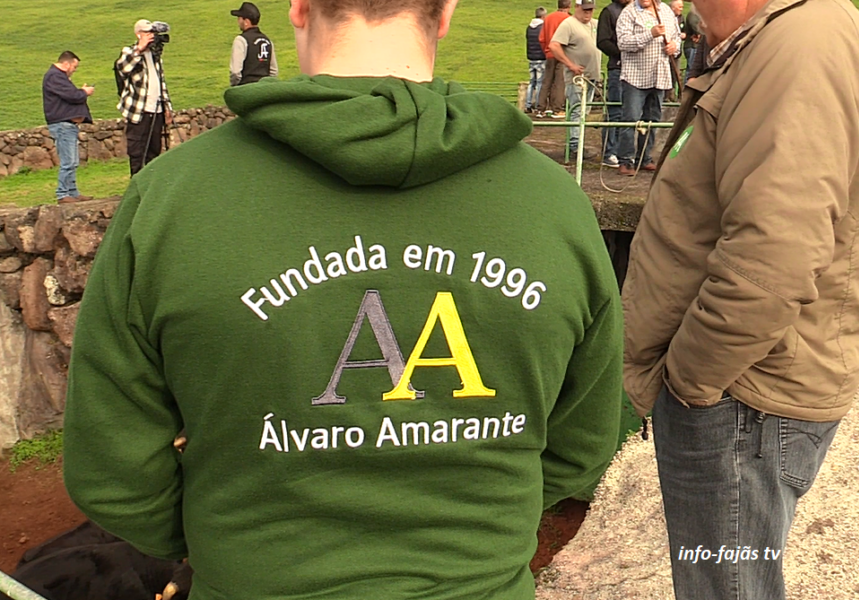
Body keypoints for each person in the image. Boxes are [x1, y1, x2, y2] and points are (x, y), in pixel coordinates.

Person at [63, 0, 626, 599]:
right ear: (446, 13)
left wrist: (233, 539)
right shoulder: (555, 204)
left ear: (299, 8)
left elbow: (112, 470)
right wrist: (481, 527)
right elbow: (586, 440)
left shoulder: (170, 199)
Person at [621, 0, 859, 598]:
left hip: (739, 398)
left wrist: (688, 382)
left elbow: (774, 257)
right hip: (736, 393)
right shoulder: (771, 42)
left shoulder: (803, 42)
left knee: (726, 588)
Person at [614, 0, 680, 175]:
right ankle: (626, 161)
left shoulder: (666, 11)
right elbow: (623, 43)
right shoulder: (629, 13)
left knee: (652, 120)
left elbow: (676, 38)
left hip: (659, 77)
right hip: (635, 76)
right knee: (631, 119)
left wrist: (674, 47)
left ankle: (644, 158)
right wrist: (650, 34)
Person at [116, 19, 174, 176]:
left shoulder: (155, 55)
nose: (151, 37)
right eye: (148, 33)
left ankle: (151, 184)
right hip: (138, 111)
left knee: (154, 151)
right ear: (138, 34)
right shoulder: (129, 52)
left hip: (156, 110)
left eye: (153, 33)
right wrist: (140, 49)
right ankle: (136, 186)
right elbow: (123, 68)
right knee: (137, 151)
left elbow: (160, 81)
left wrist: (167, 106)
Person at [550, 0, 601, 160]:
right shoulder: (568, 24)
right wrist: (570, 65)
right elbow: (554, 45)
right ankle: (575, 146)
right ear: (577, 7)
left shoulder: (595, 24)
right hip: (577, 77)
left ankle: (578, 144)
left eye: (590, 10)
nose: (588, 13)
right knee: (578, 110)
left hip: (592, 76)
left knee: (584, 111)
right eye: (585, 10)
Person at [41, 51, 94, 204]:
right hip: (63, 125)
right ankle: (63, 193)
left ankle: (73, 192)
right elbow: (72, 96)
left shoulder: (57, 77)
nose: (74, 70)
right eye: (74, 66)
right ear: (66, 64)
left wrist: (79, 92)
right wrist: (84, 92)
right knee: (68, 161)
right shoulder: (55, 77)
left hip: (67, 125)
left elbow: (69, 94)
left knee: (73, 161)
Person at [596, 0, 630, 168]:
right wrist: (623, 52)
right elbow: (602, 41)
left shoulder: (636, 11)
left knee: (631, 112)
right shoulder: (609, 12)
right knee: (615, 110)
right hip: (617, 67)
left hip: (637, 70)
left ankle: (626, 152)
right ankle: (610, 151)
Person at [536, 0, 572, 117]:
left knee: (546, 81)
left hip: (549, 53)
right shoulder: (568, 19)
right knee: (559, 81)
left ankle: (540, 108)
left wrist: (546, 50)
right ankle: (556, 108)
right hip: (562, 53)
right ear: (569, 5)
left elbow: (541, 38)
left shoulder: (548, 18)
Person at [229, 2, 279, 86]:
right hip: (264, 89)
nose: (238, 21)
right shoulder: (267, 41)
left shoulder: (241, 40)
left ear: (246, 21)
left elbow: (235, 72)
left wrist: (235, 87)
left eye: (239, 18)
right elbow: (274, 71)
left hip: (246, 89)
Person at [524, 6, 547, 113]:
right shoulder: (543, 27)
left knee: (531, 82)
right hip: (541, 58)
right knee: (539, 83)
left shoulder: (529, 27)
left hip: (531, 58)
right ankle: (538, 105)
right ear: (543, 16)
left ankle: (528, 105)